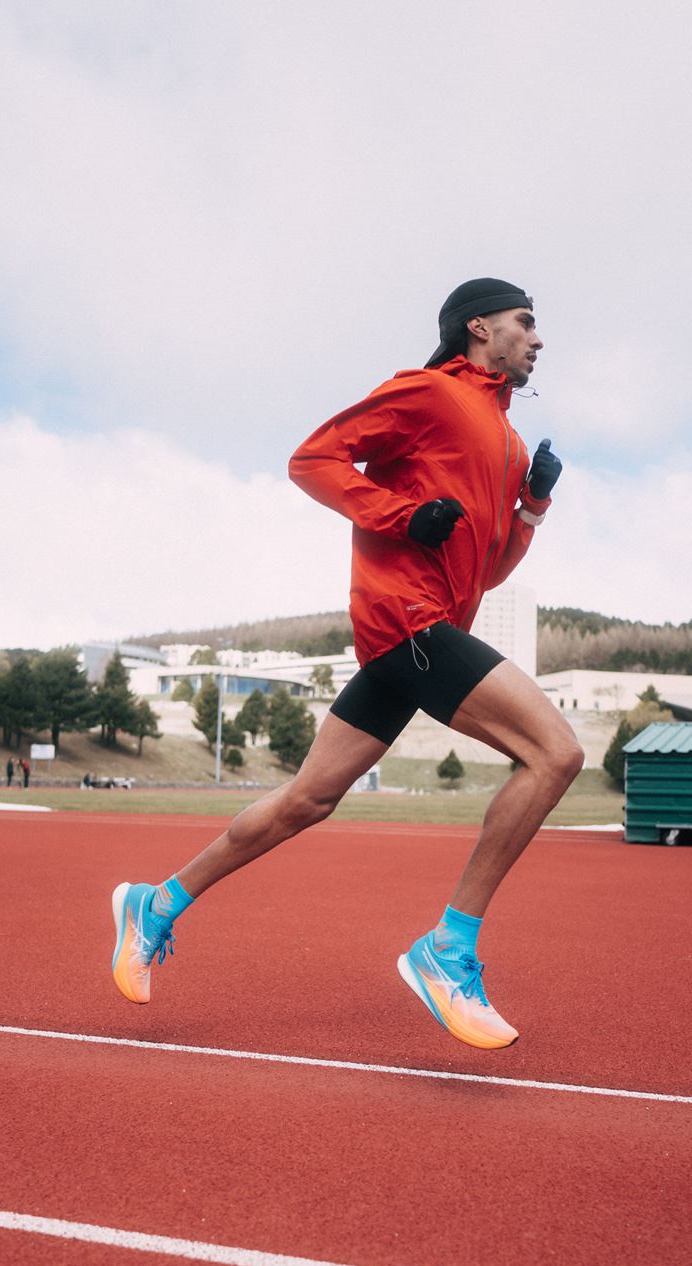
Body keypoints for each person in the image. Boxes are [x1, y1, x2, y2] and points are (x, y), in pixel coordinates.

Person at [107, 278, 579, 1050]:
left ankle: (155, 904)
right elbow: (313, 459)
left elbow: (486, 573)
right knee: (555, 753)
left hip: (421, 636)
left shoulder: (508, 440)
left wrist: (531, 507)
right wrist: (402, 515)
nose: (538, 338)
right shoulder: (427, 393)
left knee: (306, 800)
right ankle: (448, 948)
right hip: (408, 623)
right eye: (525, 322)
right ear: (478, 326)